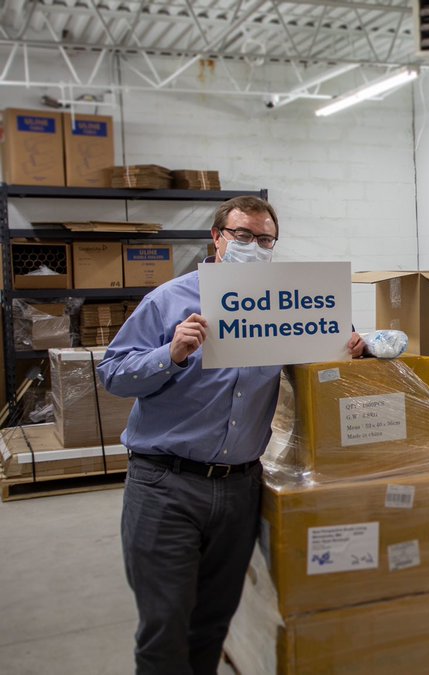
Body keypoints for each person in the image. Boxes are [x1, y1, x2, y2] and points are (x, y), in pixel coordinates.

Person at [98, 196, 365, 674]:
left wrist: (349, 349)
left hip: (240, 486)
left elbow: (328, 365)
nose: (253, 246)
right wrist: (171, 354)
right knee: (164, 626)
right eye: (242, 235)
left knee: (212, 623)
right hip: (166, 485)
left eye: (265, 239)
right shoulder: (169, 300)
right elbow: (114, 374)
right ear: (216, 238)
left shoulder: (287, 304)